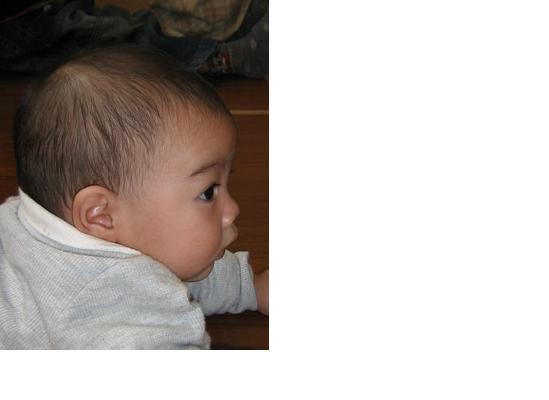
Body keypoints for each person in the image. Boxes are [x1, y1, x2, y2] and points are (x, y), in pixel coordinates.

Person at [0, 45, 269, 349]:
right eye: (208, 192)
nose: (232, 209)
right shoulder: (107, 310)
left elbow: (179, 263)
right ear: (101, 215)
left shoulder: (64, 224)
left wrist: (250, 287)